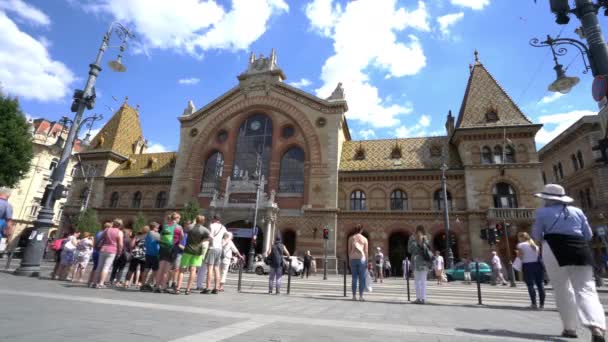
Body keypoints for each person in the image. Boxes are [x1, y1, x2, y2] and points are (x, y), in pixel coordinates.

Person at [532, 184, 605, 340]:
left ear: (547, 199)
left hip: (553, 248)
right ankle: (596, 326)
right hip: (579, 248)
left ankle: (570, 328)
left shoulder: (542, 212)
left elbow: (537, 236)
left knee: (562, 289)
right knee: (586, 288)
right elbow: (588, 234)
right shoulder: (578, 211)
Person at [175, 215, 209, 295]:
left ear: (196, 220)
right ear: (203, 221)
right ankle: (188, 289)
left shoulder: (190, 227)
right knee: (193, 270)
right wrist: (201, 242)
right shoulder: (205, 230)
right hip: (197, 251)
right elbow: (208, 238)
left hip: (187, 250)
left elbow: (183, 232)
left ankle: (178, 288)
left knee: (182, 270)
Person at [155, 213, 183, 293]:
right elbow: (181, 237)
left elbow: (160, 237)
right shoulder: (179, 227)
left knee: (160, 268)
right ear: (176, 218)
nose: (179, 220)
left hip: (163, 248)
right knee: (166, 269)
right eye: (179, 218)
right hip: (172, 249)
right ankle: (163, 286)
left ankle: (157, 286)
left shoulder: (165, 225)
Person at [516, 232, 545, 310]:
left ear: (521, 238)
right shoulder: (535, 245)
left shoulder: (520, 245)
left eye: (519, 237)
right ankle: (542, 305)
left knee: (530, 285)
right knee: (540, 285)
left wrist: (517, 257)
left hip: (527, 266)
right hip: (538, 265)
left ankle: (534, 304)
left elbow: (520, 256)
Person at [94, 218, 124, 288]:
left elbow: (100, 239)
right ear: (120, 225)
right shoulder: (119, 232)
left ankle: (94, 282)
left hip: (103, 249)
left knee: (99, 266)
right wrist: (119, 252)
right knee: (106, 267)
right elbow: (120, 244)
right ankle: (101, 283)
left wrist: (96, 246)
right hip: (112, 251)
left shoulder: (107, 230)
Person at [202, 215, 226, 294]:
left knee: (210, 268)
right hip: (219, 249)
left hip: (212, 248)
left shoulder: (212, 226)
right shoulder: (222, 227)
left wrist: (208, 240)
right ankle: (216, 288)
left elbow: (210, 236)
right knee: (216, 268)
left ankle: (208, 287)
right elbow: (228, 235)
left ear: (214, 219)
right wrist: (223, 242)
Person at [408, 225, 432, 304]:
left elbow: (410, 250)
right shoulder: (415, 239)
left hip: (420, 263)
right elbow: (410, 250)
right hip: (420, 263)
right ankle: (421, 298)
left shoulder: (423, 239)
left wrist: (420, 242)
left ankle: (421, 298)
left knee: (419, 282)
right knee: (420, 282)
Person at [348, 225, 368, 301]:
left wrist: (349, 261)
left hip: (353, 259)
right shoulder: (365, 239)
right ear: (361, 230)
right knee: (362, 278)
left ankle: (353, 296)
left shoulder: (351, 238)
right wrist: (366, 262)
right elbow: (366, 252)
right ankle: (361, 296)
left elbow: (349, 251)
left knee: (354, 278)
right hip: (362, 259)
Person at [140, 222, 161, 291]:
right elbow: (162, 241)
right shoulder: (156, 234)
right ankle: (148, 283)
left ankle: (143, 284)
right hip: (155, 254)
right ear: (154, 227)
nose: (158, 229)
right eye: (157, 228)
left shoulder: (148, 234)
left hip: (148, 253)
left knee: (146, 269)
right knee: (155, 270)